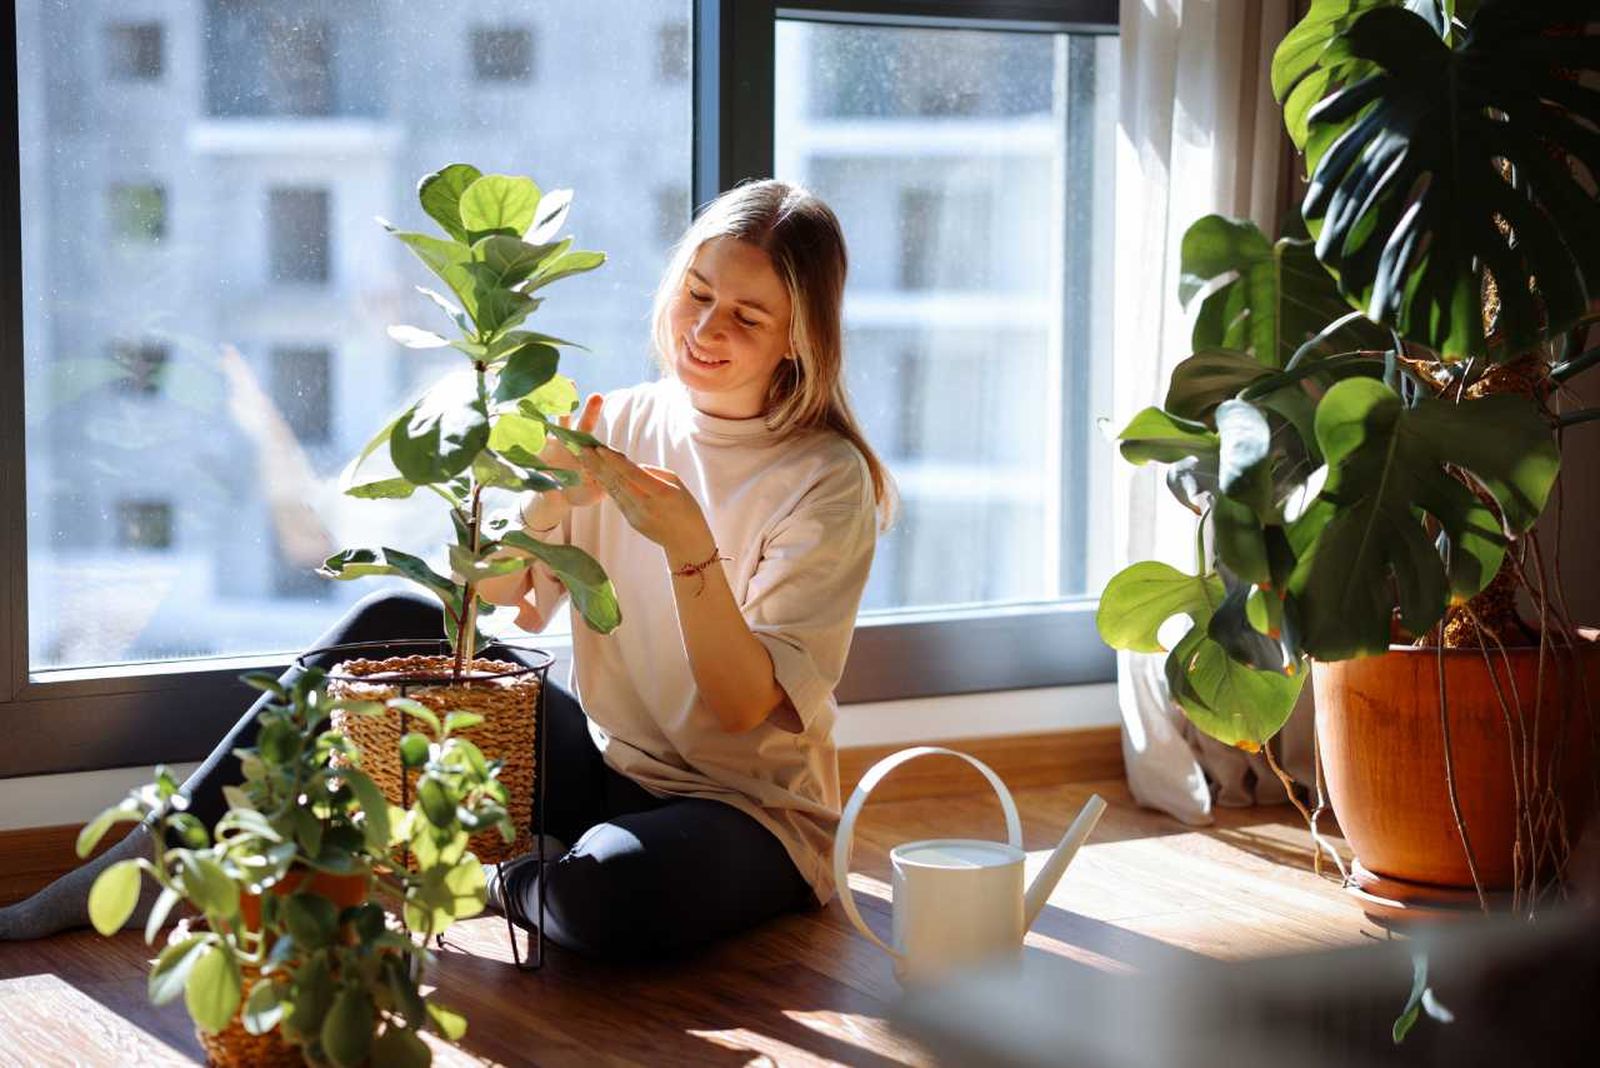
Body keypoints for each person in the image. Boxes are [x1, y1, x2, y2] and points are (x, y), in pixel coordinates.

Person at [0, 179, 896, 961]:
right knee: (394, 615)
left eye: (746, 317)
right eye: (696, 294)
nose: (704, 329)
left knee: (609, 904)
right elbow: (507, 606)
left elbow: (742, 708)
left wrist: (686, 541)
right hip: (605, 762)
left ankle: (498, 882)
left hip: (748, 813)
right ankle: (169, 854)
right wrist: (541, 493)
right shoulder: (617, 417)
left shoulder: (824, 478)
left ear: (798, 338)